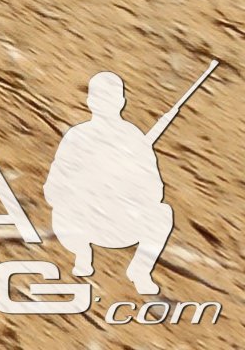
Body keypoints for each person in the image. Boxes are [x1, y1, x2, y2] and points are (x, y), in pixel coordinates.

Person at [46, 72, 177, 295]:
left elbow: (154, 190)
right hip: (83, 221)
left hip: (117, 222)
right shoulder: (79, 136)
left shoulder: (132, 139)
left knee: (162, 213)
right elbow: (54, 187)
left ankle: (139, 270)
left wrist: (124, 185)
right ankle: (82, 255)